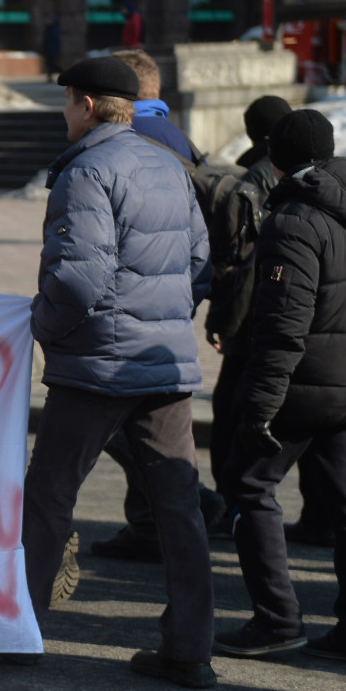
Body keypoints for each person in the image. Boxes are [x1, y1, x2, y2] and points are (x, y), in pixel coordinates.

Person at [21, 56, 214, 689]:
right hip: (163, 363)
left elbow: (78, 279)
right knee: (179, 508)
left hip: (97, 365)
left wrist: (41, 327)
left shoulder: (86, 171)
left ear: (85, 104)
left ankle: (19, 629)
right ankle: (190, 649)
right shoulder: (167, 164)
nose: (64, 113)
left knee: (48, 496)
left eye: (68, 101)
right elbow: (198, 260)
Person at [214, 109, 346, 667]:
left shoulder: (292, 218)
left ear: (278, 156)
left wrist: (258, 405)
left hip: (302, 385)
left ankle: (276, 621)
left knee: (249, 486)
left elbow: (283, 324)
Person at [85, 49, 227, 564]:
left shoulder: (127, 142)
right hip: (170, 304)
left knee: (114, 427)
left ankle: (186, 509)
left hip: (129, 311)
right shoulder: (178, 138)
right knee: (146, 425)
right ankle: (150, 524)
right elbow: (198, 245)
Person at [43, 14, 62, 82]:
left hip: (52, 50)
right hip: (48, 50)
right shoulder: (49, 28)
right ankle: (50, 77)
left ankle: (62, 72)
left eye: (49, 20)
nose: (47, 21)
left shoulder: (54, 29)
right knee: (50, 64)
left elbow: (55, 41)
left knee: (52, 64)